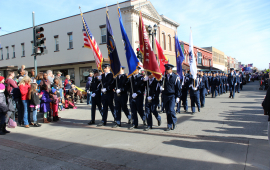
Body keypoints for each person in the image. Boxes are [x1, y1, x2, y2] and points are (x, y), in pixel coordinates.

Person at [160, 64, 180, 131]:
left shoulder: (175, 77)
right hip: (165, 95)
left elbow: (178, 87)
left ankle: (174, 122)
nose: (167, 71)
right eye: (166, 69)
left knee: (171, 110)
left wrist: (178, 96)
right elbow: (160, 83)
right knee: (167, 111)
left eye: (168, 69)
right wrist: (161, 87)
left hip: (172, 95)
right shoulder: (164, 77)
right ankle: (169, 125)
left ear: (171, 69)